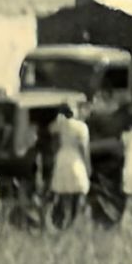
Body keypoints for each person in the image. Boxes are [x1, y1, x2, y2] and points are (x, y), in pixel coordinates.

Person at [48, 97, 93, 228]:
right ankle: (73, 219)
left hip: (62, 157)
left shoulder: (60, 125)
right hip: (75, 158)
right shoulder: (82, 127)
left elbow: (51, 129)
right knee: (77, 190)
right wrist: (88, 166)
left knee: (62, 190)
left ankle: (59, 220)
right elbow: (84, 149)